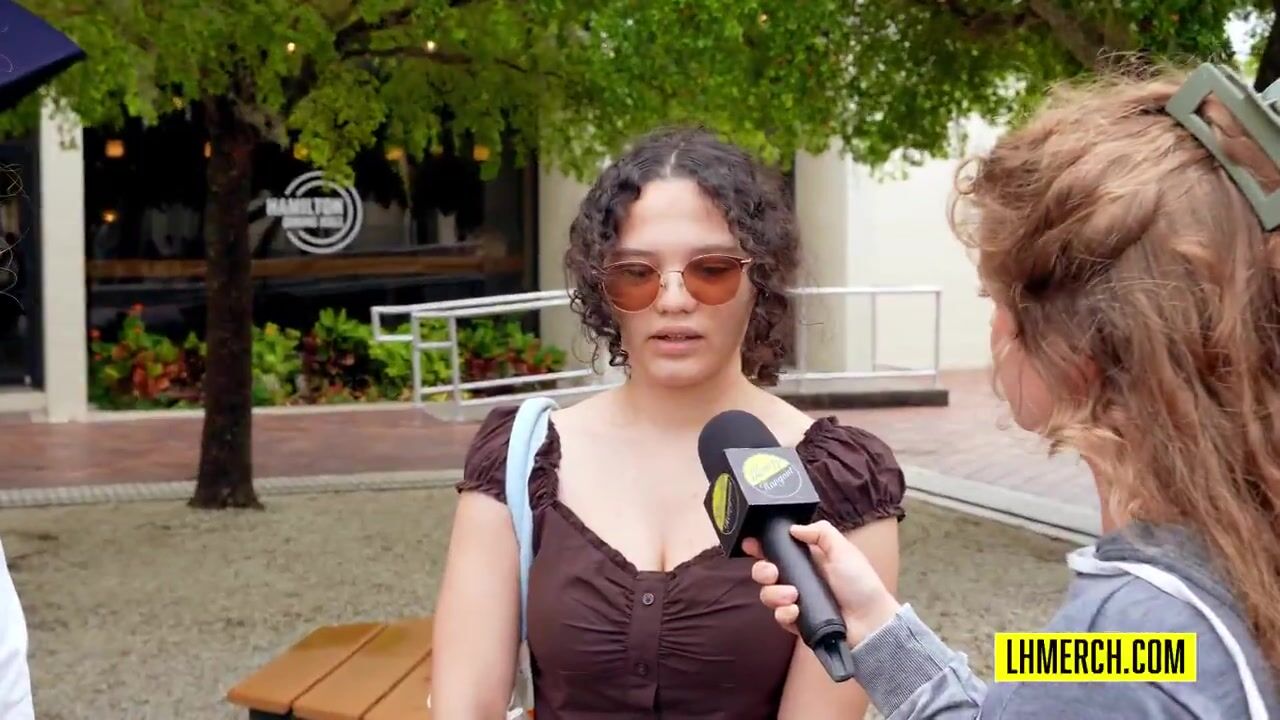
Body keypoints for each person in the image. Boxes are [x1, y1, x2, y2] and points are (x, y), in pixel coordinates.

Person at [749, 63, 1280, 719]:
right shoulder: (1175, 605)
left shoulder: (1117, 642)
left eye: (993, 297)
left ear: (1077, 353)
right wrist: (879, 628)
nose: (994, 327)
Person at [430, 127, 907, 719]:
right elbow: (465, 705)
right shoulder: (520, 458)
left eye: (712, 269)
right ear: (603, 287)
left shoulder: (844, 477)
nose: (674, 299)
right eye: (637, 272)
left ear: (760, 280)